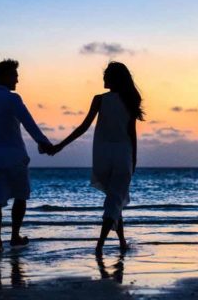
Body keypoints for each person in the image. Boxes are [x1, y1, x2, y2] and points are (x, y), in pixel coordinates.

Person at [50, 61, 144, 255]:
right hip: (123, 155)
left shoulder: (99, 99)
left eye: (106, 75)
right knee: (114, 200)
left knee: (115, 199)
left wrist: (60, 146)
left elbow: (83, 127)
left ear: (114, 78)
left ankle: (122, 242)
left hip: (102, 157)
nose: (103, 78)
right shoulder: (130, 99)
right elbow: (131, 133)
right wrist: (134, 159)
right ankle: (100, 246)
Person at [0, 59, 53, 253]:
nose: (17, 81)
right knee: (20, 197)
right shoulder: (13, 99)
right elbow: (28, 123)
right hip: (14, 157)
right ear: (5, 76)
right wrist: (43, 142)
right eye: (15, 76)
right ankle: (14, 236)